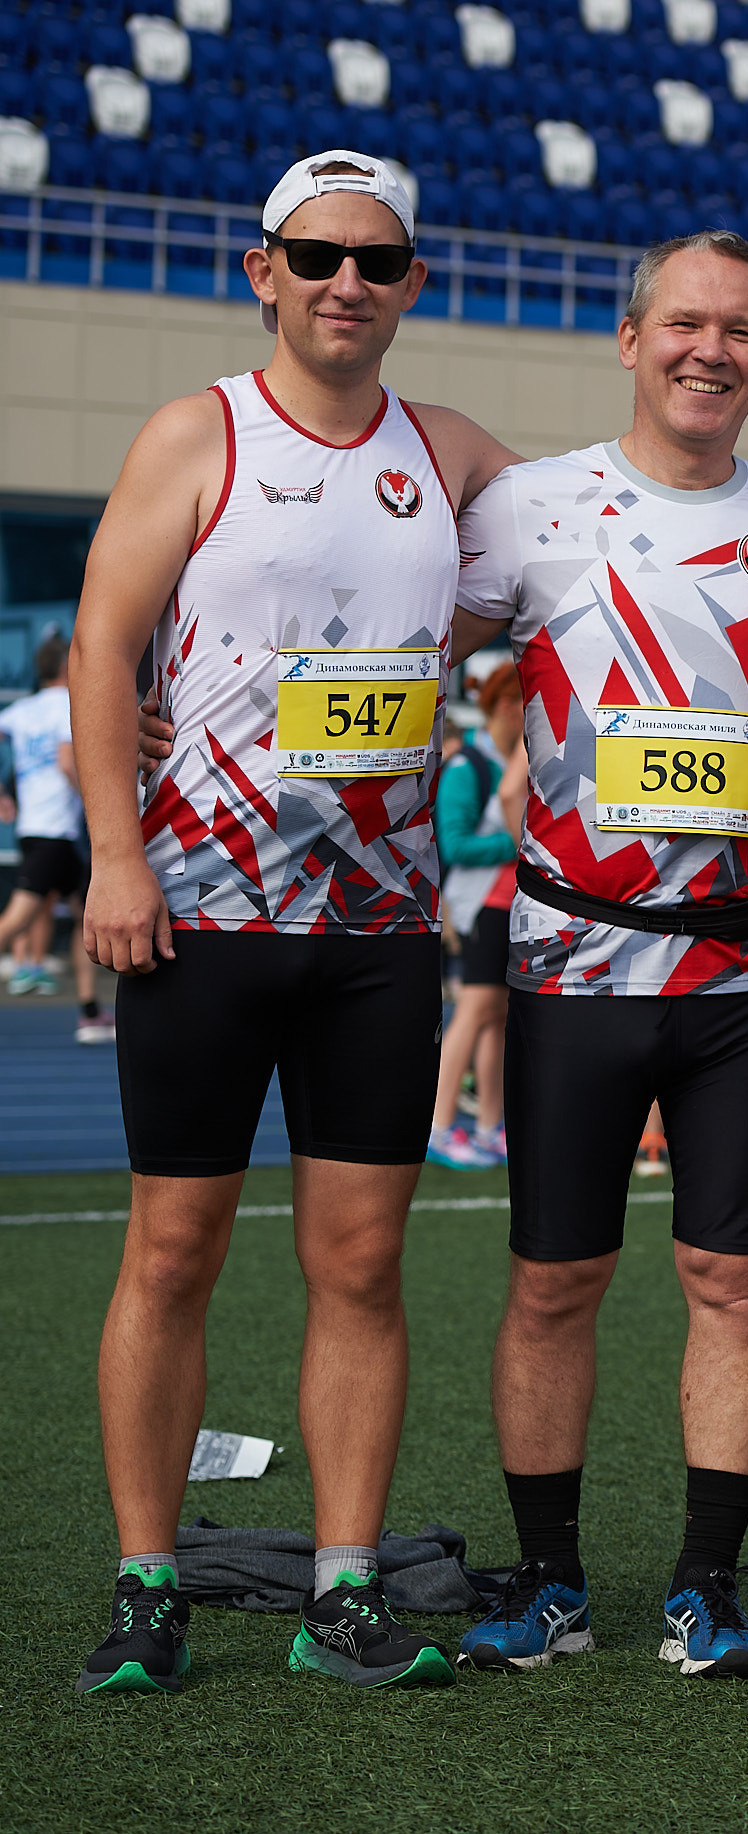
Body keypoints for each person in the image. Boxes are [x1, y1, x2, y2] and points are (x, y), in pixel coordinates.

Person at [65, 148, 516, 1695]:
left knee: (363, 1265)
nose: (346, 283)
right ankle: (147, 1584)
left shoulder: (452, 452)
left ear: (412, 284)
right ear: (263, 270)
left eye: (378, 262)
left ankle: (342, 1592)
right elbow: (103, 648)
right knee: (171, 1247)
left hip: (378, 935)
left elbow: (563, 582)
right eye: (317, 255)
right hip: (197, 917)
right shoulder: (199, 433)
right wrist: (115, 861)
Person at [440, 231, 748, 1679]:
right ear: (629, 337)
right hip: (573, 966)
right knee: (554, 1279)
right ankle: (550, 1582)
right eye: (685, 323)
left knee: (732, 1281)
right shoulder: (531, 508)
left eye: (740, 330)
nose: (709, 349)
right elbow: (423, 656)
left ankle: (705, 1587)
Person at [425, 660, 524, 1169]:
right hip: (480, 902)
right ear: (509, 706)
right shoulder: (470, 765)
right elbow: (455, 843)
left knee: (495, 1017)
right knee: (475, 1009)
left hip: (504, 902)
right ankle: (439, 1125)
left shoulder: (502, 759)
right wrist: (518, 842)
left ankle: (489, 1125)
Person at [0, 631, 111, 1039]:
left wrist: (3, 797)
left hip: (37, 830)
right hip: (57, 832)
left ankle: (90, 1011)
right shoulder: (69, 705)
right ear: (69, 666)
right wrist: (103, 803)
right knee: (15, 921)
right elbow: (67, 762)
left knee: (84, 921)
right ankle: (90, 1012)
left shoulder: (21, 710)